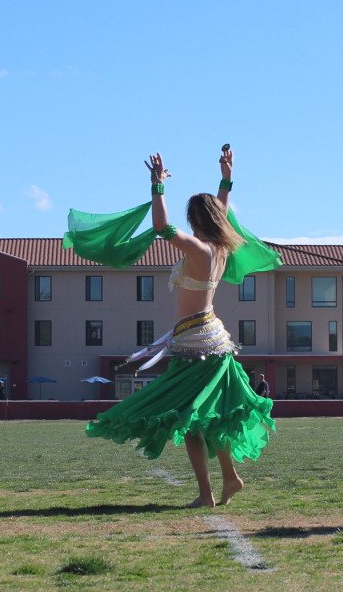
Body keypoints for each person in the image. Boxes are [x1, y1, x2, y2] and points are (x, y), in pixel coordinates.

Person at [74, 147, 278, 507]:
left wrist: (157, 188)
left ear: (196, 219)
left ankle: (207, 493)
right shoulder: (220, 248)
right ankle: (228, 479)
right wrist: (226, 179)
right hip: (212, 341)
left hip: (196, 346)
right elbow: (223, 210)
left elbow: (161, 227)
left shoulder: (199, 249)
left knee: (189, 421)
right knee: (205, 419)